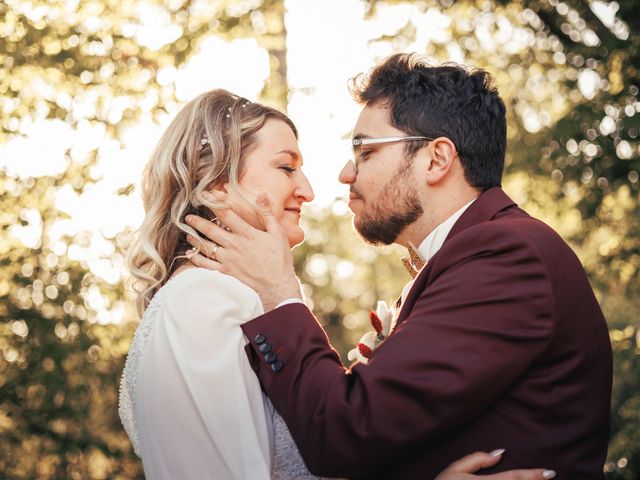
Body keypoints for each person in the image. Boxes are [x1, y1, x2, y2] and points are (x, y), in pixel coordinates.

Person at [186, 54, 612, 479]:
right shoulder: (475, 256)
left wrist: (280, 293)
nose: (344, 174)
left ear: (436, 159)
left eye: (365, 151)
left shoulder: (507, 255)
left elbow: (345, 431)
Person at [118, 88, 549, 479]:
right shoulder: (201, 300)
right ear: (216, 183)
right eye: (286, 167)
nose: (307, 189)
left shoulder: (240, 302)